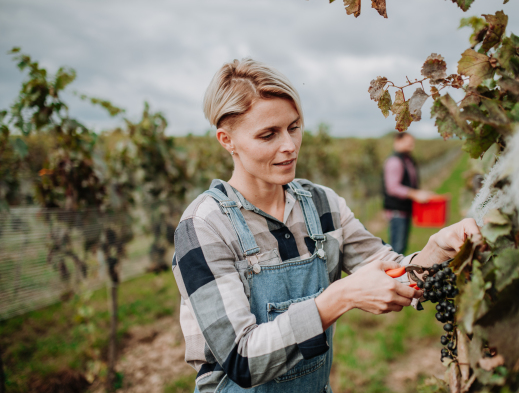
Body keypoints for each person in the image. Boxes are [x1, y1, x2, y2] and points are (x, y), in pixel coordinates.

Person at [171, 59, 480, 393]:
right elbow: (241, 359)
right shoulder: (205, 225)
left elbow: (395, 274)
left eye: (294, 127)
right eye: (268, 134)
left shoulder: (321, 205)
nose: (289, 145)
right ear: (226, 140)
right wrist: (339, 297)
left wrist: (437, 249)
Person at [383, 132, 434, 255]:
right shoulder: (395, 161)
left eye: (412, 143)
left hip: (404, 210)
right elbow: (393, 187)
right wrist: (415, 194)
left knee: (401, 247)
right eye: (408, 143)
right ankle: (393, 274)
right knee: (397, 250)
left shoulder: (406, 160)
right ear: (397, 141)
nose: (412, 146)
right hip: (397, 212)